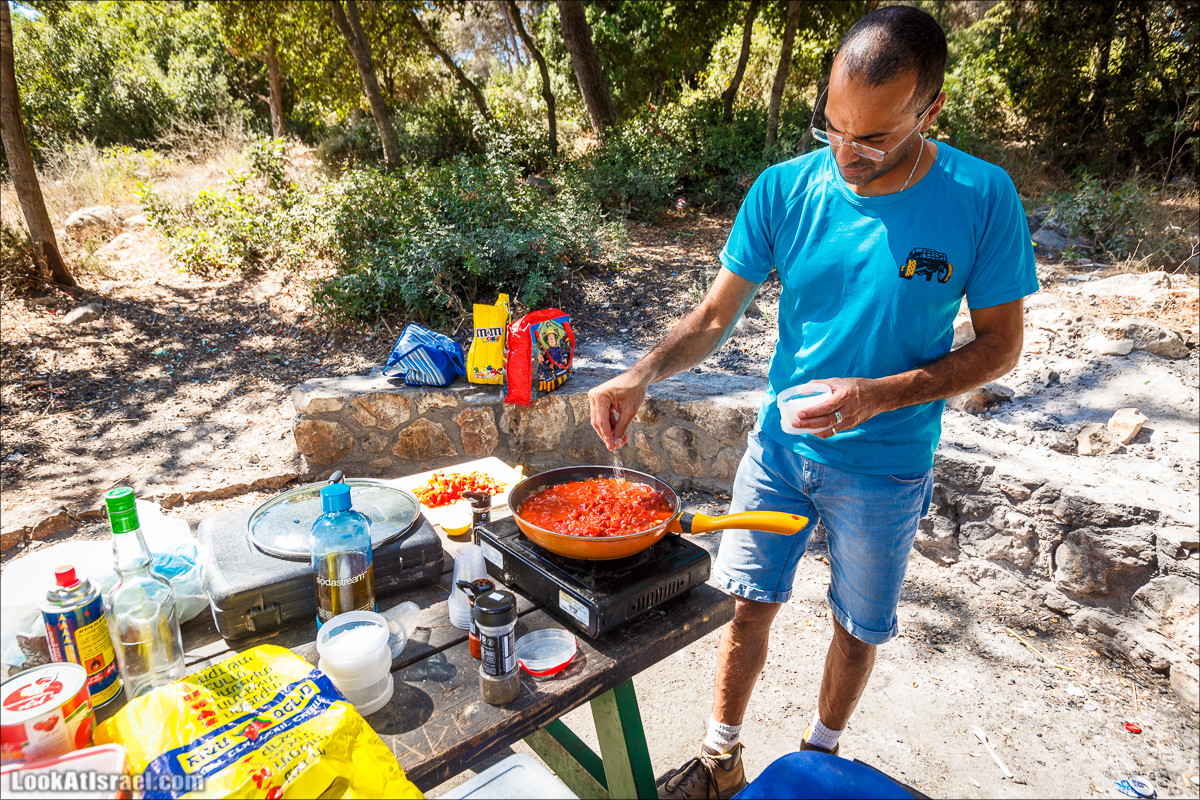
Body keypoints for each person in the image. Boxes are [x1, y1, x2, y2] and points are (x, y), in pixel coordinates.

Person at [587, 7, 1038, 799]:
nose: (846, 155)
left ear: (929, 111)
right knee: (747, 604)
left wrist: (879, 396)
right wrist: (641, 373)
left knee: (857, 628)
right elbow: (712, 317)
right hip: (781, 450)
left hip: (888, 465)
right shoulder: (784, 190)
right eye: (831, 128)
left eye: (872, 139)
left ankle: (818, 761)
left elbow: (1000, 345)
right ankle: (721, 757)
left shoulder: (981, 196)